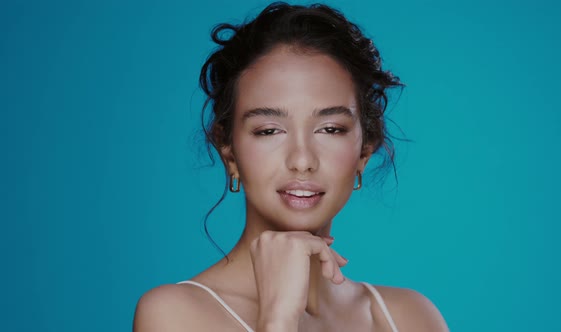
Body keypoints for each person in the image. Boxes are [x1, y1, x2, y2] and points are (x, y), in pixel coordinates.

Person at [133, 2, 448, 331]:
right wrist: (278, 318)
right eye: (269, 131)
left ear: (364, 152)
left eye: (330, 129)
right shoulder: (175, 316)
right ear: (229, 153)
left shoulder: (410, 317)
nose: (302, 160)